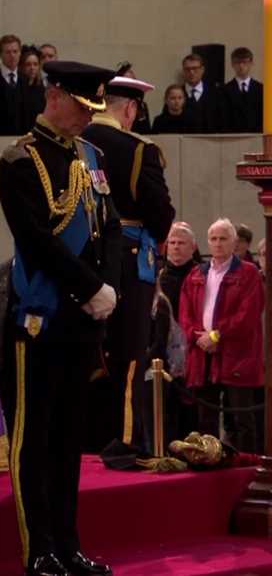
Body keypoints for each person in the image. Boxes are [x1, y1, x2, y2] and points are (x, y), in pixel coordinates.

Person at [0, 60, 119, 576]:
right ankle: (40, 549)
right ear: (54, 96)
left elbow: (109, 230)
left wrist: (107, 290)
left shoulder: (91, 156)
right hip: (39, 320)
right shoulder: (20, 160)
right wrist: (90, 288)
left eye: (95, 109)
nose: (88, 119)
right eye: (83, 107)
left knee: (70, 441)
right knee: (35, 440)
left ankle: (69, 545)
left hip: (81, 323)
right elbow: (36, 240)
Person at [81, 76, 175, 452]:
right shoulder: (138, 149)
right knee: (129, 357)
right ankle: (124, 443)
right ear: (131, 109)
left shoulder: (74, 143)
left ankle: (86, 442)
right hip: (128, 265)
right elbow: (161, 215)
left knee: (89, 355)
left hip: (81, 263)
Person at [178, 219, 265, 452]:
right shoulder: (197, 274)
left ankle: (247, 469)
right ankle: (211, 464)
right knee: (206, 418)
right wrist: (197, 337)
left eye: (223, 238)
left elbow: (248, 314)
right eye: (213, 239)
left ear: (234, 242)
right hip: (203, 354)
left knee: (240, 419)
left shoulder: (248, 273)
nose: (217, 243)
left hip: (237, 355)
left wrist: (216, 336)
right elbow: (185, 312)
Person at [160, 222, 199, 321]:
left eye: (181, 243)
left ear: (193, 247)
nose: (176, 247)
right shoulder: (158, 276)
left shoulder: (202, 274)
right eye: (172, 243)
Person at [180, 53, 226, 133]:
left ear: (202, 70)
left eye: (195, 68)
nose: (191, 72)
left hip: (210, 141)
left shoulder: (215, 93)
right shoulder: (176, 94)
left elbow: (222, 121)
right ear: (183, 71)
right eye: (187, 69)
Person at [223, 47, 262, 133]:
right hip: (232, 137)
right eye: (237, 62)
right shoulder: (224, 90)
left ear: (251, 63)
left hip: (256, 137)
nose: (241, 66)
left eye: (245, 62)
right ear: (232, 64)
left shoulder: (261, 89)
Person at [0, 34, 26, 133]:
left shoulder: (26, 80)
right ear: (0, 54)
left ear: (20, 53)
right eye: (7, 52)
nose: (12, 55)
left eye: (15, 51)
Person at [17, 45, 46, 129]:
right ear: (21, 67)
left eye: (35, 64)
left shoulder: (41, 89)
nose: (32, 68)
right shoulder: (17, 89)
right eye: (28, 65)